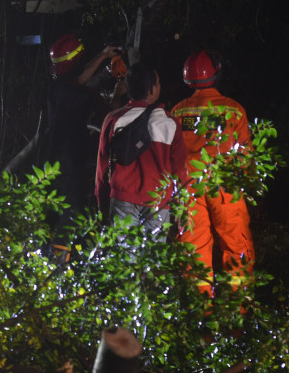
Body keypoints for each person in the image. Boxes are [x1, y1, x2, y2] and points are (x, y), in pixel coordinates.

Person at [171, 51, 255, 297]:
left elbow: (172, 155)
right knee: (237, 246)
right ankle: (237, 315)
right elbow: (246, 156)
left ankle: (201, 317)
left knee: (193, 250)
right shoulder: (234, 110)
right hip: (225, 188)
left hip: (189, 190)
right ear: (217, 73)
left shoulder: (177, 112)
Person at [45, 35, 125, 258]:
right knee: (70, 217)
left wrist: (104, 55)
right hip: (73, 165)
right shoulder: (81, 95)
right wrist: (118, 94)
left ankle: (48, 263)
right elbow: (108, 114)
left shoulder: (57, 88)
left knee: (54, 217)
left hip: (52, 163)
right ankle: (59, 269)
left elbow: (78, 79)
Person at [95, 62, 187, 241]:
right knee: (152, 262)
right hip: (158, 203)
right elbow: (180, 170)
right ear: (152, 89)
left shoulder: (114, 119)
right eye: (158, 82)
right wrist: (181, 205)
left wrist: (102, 202)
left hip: (122, 198)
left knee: (123, 262)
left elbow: (103, 165)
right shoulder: (170, 122)